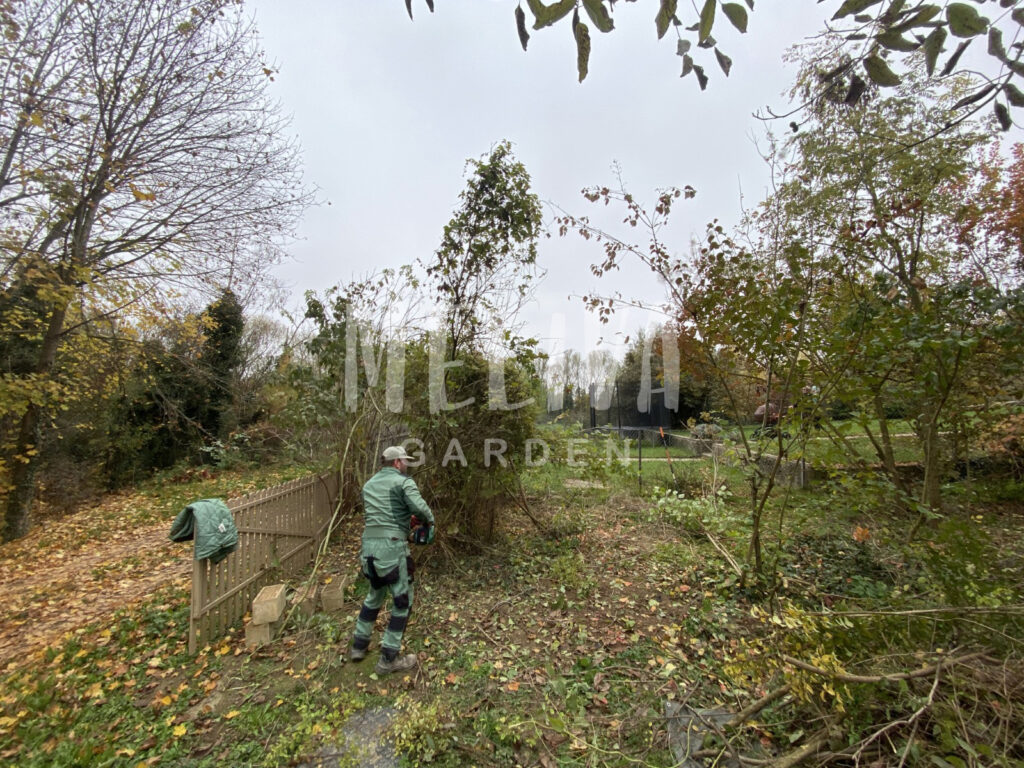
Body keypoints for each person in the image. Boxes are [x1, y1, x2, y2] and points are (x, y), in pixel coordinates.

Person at [348, 445, 435, 674]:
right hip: (392, 549)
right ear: (397, 463)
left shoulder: (369, 485)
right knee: (402, 601)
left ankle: (359, 645)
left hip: (368, 549)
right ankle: (389, 658)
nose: (406, 465)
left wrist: (406, 521)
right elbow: (421, 508)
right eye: (404, 461)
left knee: (374, 594)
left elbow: (383, 513)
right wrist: (429, 521)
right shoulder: (404, 482)